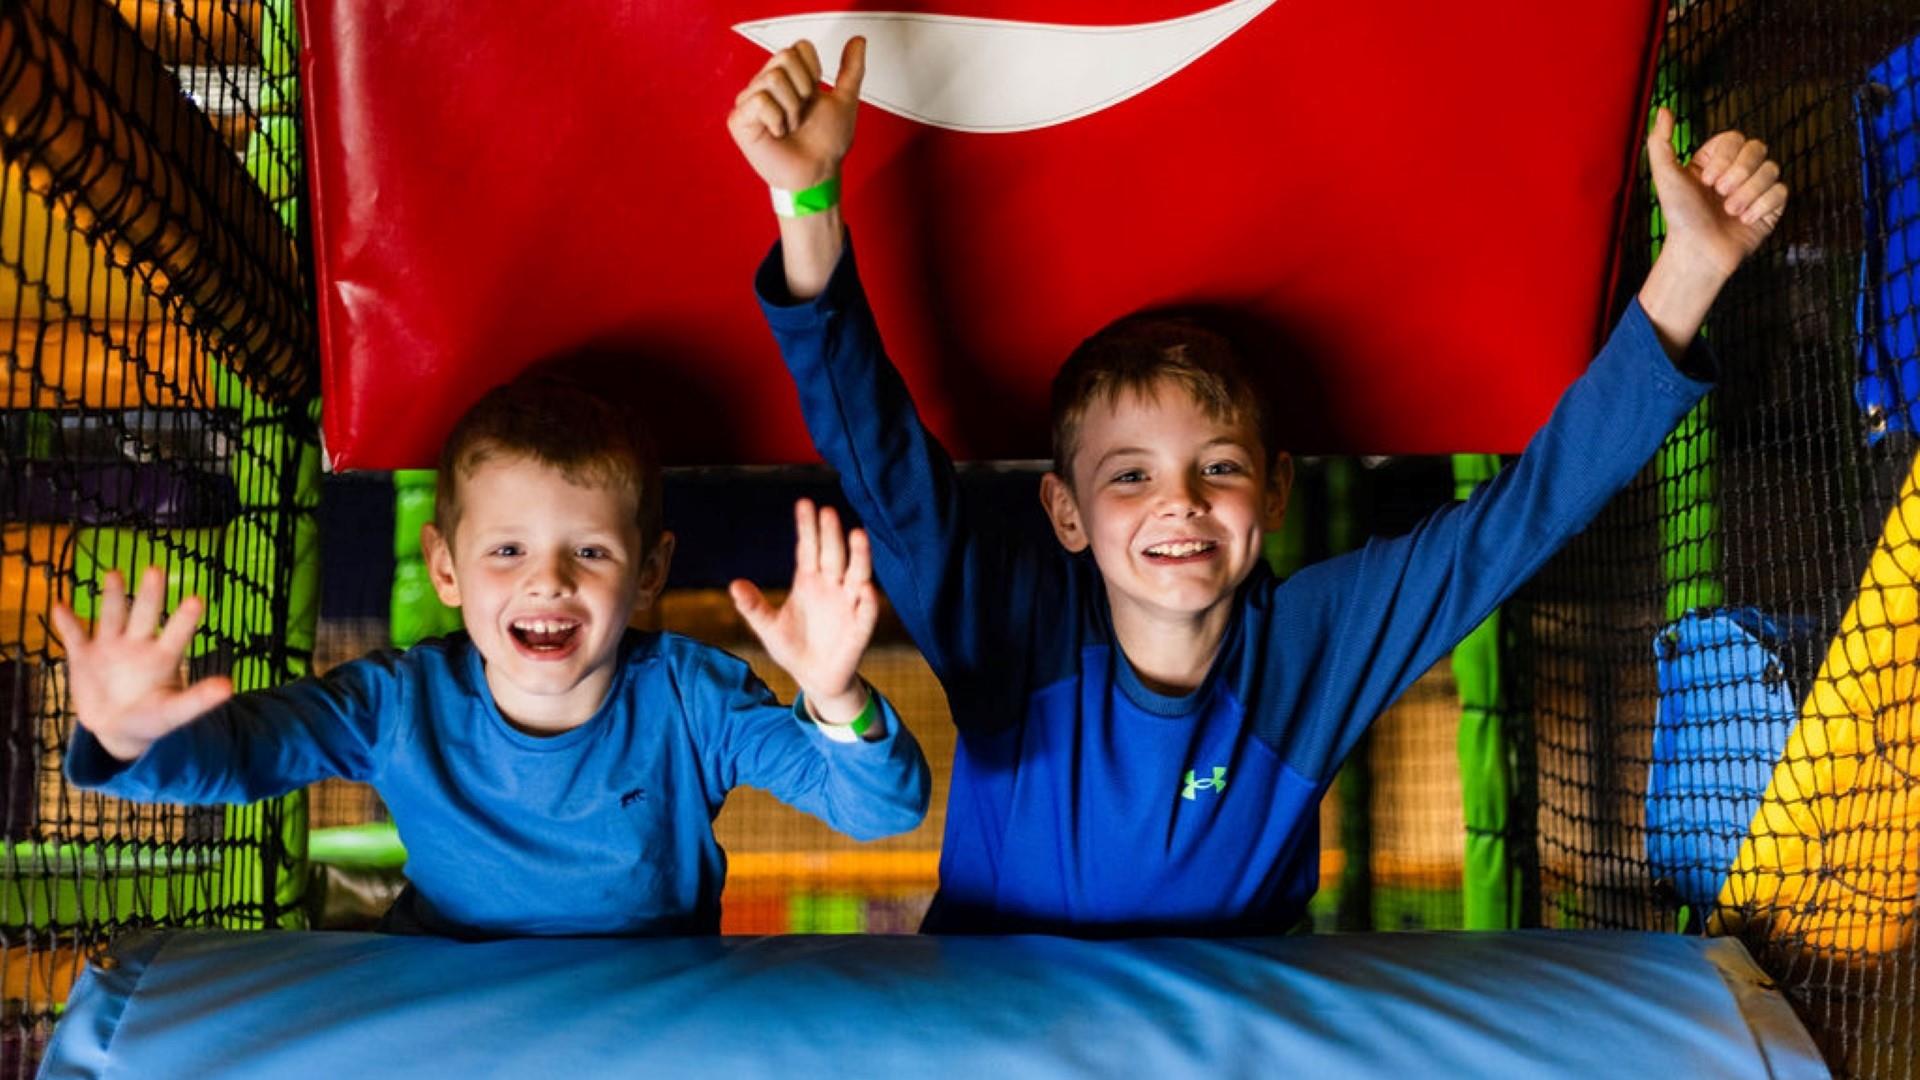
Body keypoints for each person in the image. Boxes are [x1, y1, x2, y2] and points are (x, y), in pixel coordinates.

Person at [728, 38, 1786, 935]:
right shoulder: (1012, 637)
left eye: (1218, 469)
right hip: (1001, 1034)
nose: (1179, 502)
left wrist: (1687, 271)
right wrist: (807, 199)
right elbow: (884, 463)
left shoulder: (1310, 650)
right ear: (1066, 511)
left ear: (1274, 492)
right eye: (1130, 476)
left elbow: (1519, 521)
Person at [51, 365, 931, 938]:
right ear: (445, 567)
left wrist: (834, 696)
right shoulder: (399, 703)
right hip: (451, 1002)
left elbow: (879, 811)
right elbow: (245, 753)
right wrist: (132, 736)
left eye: (589, 552)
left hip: (649, 1006)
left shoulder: (693, 698)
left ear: (652, 570)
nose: (547, 582)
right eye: (506, 551)